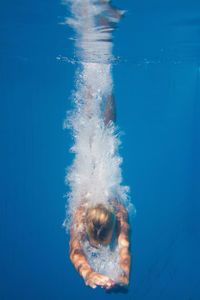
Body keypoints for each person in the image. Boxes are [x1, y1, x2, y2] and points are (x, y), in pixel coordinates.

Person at [68, 90, 131, 290]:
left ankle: (93, 89)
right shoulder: (117, 214)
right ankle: (107, 91)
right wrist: (89, 273)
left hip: (89, 172)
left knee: (89, 134)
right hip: (102, 171)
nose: (102, 246)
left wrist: (122, 278)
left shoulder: (119, 216)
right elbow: (75, 250)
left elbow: (124, 251)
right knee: (106, 131)